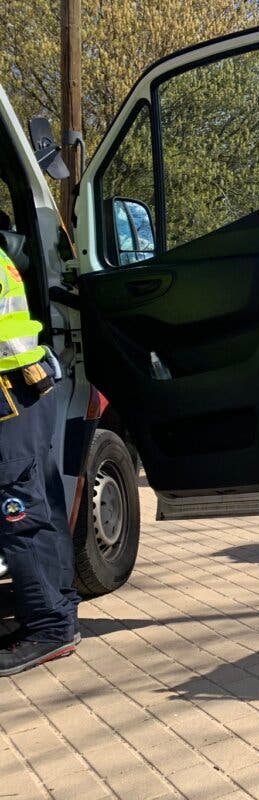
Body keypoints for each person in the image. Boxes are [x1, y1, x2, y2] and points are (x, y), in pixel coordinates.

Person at [0, 244, 80, 676]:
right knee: (40, 509)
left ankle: (49, 627)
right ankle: (57, 615)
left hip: (7, 393)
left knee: (18, 514)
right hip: (25, 385)